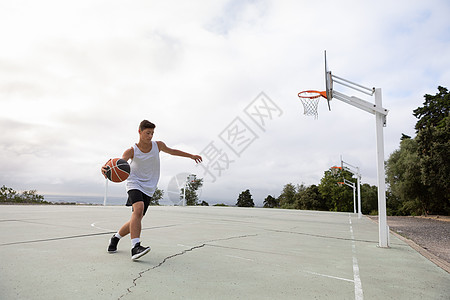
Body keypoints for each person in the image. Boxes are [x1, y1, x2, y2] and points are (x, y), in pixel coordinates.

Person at [101, 120, 202, 260]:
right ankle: (135, 247)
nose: (150, 136)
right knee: (138, 209)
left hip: (149, 187)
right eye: (147, 133)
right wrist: (106, 169)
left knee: (136, 219)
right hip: (134, 183)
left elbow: (172, 151)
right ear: (139, 132)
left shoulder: (158, 145)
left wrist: (191, 156)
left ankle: (115, 238)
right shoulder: (131, 151)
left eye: (152, 133)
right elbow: (119, 164)